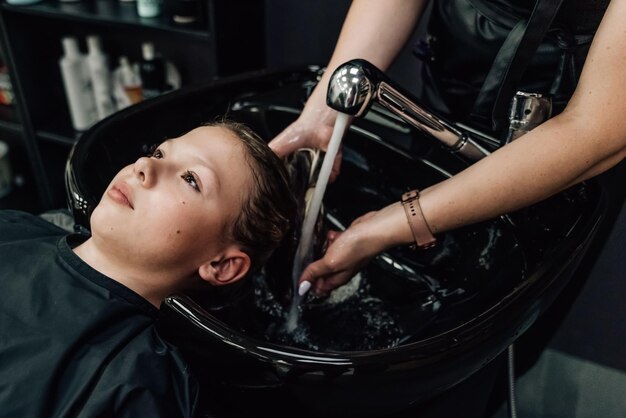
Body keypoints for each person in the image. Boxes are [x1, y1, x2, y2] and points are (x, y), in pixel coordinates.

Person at [269, 0, 626, 298]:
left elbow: (594, 132)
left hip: (567, 137)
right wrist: (322, 116)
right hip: (450, 82)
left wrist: (387, 226)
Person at [0, 120, 296, 418]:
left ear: (222, 265)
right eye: (159, 154)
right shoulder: (12, 227)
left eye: (190, 179)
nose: (144, 165)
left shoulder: (141, 388)